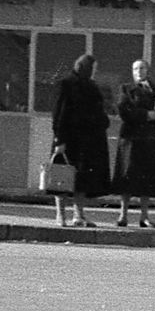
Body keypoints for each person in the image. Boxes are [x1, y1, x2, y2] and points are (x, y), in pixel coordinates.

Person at [50, 53, 111, 228]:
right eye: (93, 68)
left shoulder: (91, 86)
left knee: (82, 179)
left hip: (87, 140)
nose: (94, 72)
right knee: (61, 177)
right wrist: (59, 140)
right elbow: (58, 114)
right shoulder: (65, 84)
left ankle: (79, 215)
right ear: (85, 67)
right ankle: (60, 215)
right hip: (68, 139)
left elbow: (98, 110)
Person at [111, 59, 155, 227]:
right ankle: (123, 215)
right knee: (127, 176)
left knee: (148, 178)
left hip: (150, 139)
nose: (139, 71)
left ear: (147, 70)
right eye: (135, 68)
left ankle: (144, 216)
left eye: (142, 68)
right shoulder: (126, 89)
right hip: (131, 139)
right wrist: (147, 115)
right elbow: (124, 110)